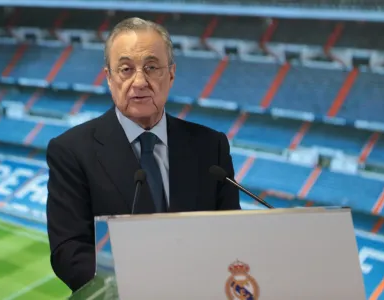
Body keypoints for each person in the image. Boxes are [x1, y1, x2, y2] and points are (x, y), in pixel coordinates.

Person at [46, 17, 240, 293]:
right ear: (109, 78)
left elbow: (231, 235)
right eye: (125, 69)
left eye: (151, 68)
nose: (139, 81)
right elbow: (69, 251)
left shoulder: (211, 146)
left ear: (171, 74)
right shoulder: (71, 150)